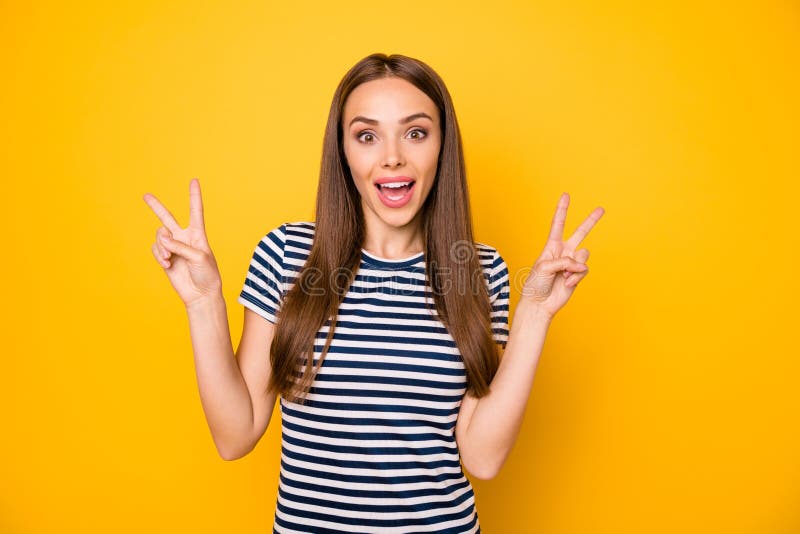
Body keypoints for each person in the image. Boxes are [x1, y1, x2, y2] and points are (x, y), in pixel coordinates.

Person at [143, 53, 604, 533]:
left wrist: (535, 313)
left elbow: (483, 457)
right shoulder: (286, 254)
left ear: (442, 147)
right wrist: (203, 304)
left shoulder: (481, 270)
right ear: (343, 152)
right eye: (367, 135)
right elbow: (234, 436)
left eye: (416, 132)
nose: (391, 157)